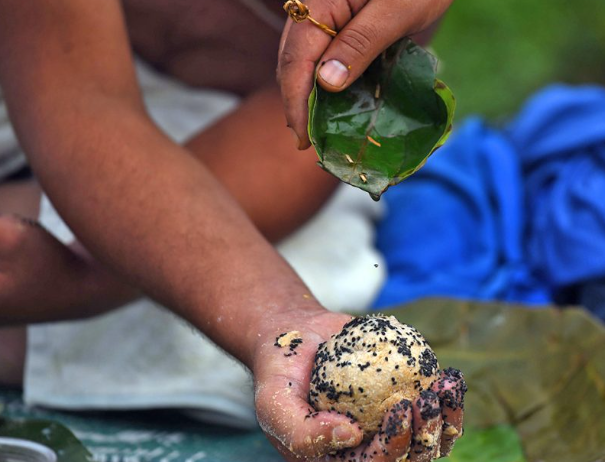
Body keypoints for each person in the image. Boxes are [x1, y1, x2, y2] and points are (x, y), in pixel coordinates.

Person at [0, 1, 464, 461]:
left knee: (313, 281)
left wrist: (280, 322)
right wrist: (103, 266)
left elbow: (296, 143)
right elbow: (85, 104)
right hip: (39, 76)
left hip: (225, 131)